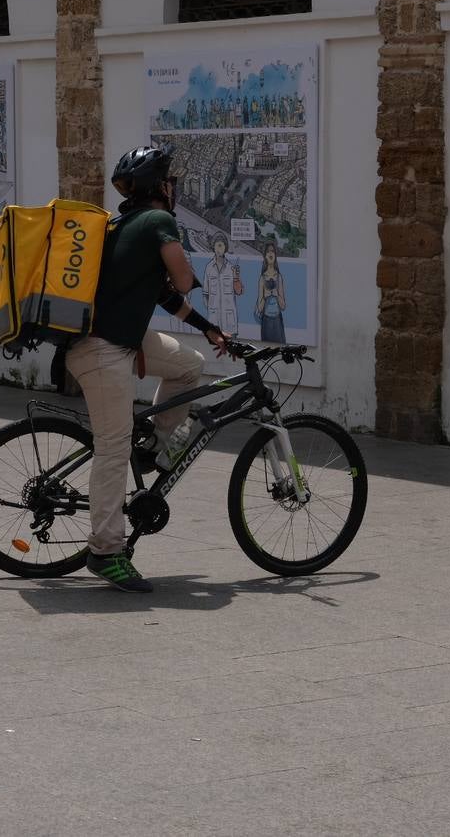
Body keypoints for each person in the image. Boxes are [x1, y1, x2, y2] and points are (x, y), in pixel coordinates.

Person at [65, 145, 228, 593]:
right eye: (170, 181)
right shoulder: (157, 222)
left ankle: (154, 446)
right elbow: (180, 280)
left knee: (189, 366)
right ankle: (105, 551)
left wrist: (209, 328)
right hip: (102, 350)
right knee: (112, 448)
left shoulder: (125, 226)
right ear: (159, 186)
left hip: (121, 342)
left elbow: (164, 297)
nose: (174, 189)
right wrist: (184, 261)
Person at [203, 234, 242, 335]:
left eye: (222, 246)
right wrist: (211, 309)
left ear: (225, 248)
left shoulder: (231, 268)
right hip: (214, 320)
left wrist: (236, 277)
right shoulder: (209, 268)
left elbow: (239, 291)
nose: (219, 248)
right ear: (213, 247)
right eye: (217, 245)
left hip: (229, 320)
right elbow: (205, 293)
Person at [256, 242, 287, 343]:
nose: (270, 254)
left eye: (272, 251)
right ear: (265, 256)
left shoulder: (279, 277)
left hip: (277, 321)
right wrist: (265, 297)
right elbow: (259, 308)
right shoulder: (262, 278)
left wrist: (277, 295)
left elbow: (283, 306)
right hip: (266, 321)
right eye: (268, 251)